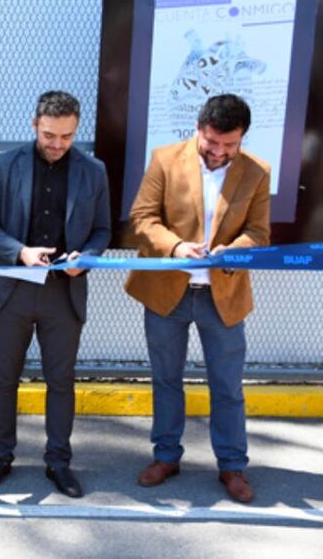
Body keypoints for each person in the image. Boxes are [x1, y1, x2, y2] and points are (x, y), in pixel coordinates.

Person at [126, 94, 270, 504]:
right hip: (165, 293)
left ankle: (232, 465)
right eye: (212, 142)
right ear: (198, 128)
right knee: (166, 379)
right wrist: (175, 247)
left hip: (223, 296)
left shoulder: (257, 171)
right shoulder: (165, 159)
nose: (219, 151)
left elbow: (259, 233)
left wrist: (232, 252)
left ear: (242, 138)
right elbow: (142, 218)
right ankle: (166, 456)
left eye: (230, 144)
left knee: (227, 386)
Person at [0, 90, 111, 498]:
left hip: (63, 293)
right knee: (4, 380)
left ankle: (59, 462)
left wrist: (86, 258)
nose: (57, 144)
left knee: (61, 382)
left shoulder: (93, 171)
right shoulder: (6, 165)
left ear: (76, 130)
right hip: (11, 290)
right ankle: (0, 456)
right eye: (49, 135)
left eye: (67, 136)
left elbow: (102, 230)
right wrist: (20, 252)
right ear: (34, 125)